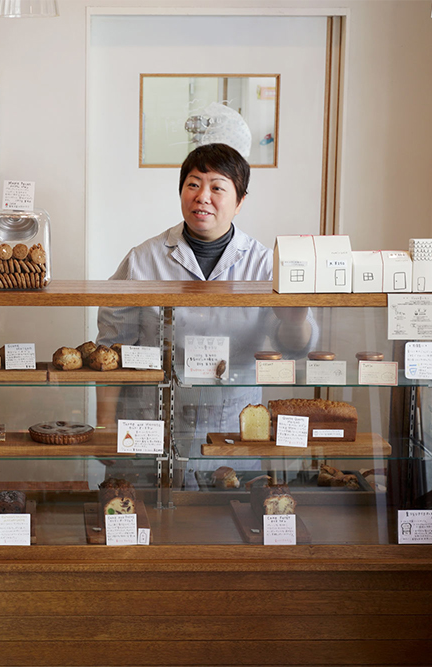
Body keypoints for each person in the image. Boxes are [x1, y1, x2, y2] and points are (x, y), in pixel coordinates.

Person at [96, 143, 315, 487]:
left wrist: (295, 320)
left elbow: (295, 347)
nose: (202, 197)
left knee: (224, 527)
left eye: (217, 187)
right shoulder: (144, 258)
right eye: (193, 184)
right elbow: (111, 346)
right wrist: (105, 424)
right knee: (139, 521)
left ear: (240, 201)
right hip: (149, 420)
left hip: (231, 424)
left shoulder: (263, 263)